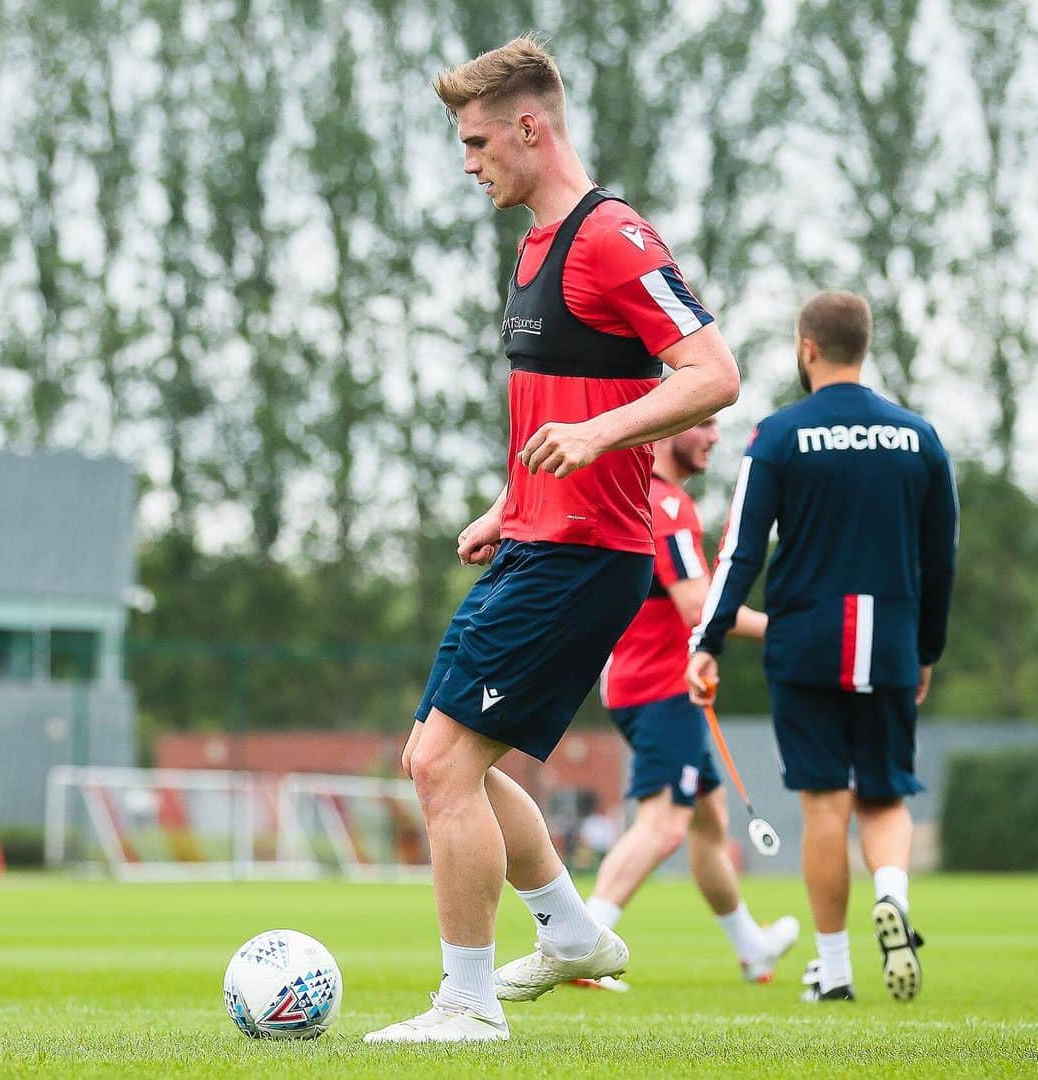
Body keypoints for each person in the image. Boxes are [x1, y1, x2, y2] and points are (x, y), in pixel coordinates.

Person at [364, 35, 740, 1044]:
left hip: (590, 557)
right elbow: (560, 402)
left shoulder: (612, 235)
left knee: (443, 765)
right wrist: (509, 496)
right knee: (442, 762)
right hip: (539, 538)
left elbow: (713, 373)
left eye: (480, 141)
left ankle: (470, 1006)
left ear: (532, 127)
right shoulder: (533, 244)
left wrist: (596, 436)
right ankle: (570, 933)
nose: (469, 161)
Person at [686, 291, 958, 1003]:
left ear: (807, 347)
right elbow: (942, 557)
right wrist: (925, 648)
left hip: (807, 642)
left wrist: (708, 641)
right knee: (886, 795)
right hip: (892, 640)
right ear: (862, 348)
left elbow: (740, 551)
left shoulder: (778, 436)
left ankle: (834, 970)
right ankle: (891, 894)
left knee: (824, 808)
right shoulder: (919, 438)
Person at [582, 418, 798, 993]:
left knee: (708, 821)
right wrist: (785, 630)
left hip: (644, 686)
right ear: (668, 425)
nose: (714, 435)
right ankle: (581, 944)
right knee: (664, 825)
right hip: (659, 689)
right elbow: (697, 604)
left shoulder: (633, 492)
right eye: (703, 421)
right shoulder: (668, 504)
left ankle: (752, 947)